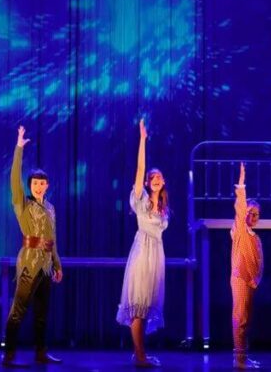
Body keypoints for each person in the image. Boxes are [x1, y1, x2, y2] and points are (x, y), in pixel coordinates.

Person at [2, 125, 63, 367]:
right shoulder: (23, 204)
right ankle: (9, 355)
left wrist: (57, 264)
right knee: (18, 310)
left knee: (41, 313)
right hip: (29, 264)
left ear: (47, 186)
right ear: (30, 186)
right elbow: (14, 179)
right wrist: (19, 147)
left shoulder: (50, 208)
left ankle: (40, 352)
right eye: (35, 183)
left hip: (46, 266)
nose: (38, 186)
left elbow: (52, 239)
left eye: (42, 183)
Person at [116, 119, 169, 368]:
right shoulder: (141, 200)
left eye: (159, 177)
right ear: (148, 183)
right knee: (138, 305)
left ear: (163, 182)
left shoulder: (164, 207)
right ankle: (140, 357)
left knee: (146, 307)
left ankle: (140, 353)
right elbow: (140, 169)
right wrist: (142, 141)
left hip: (156, 256)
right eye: (152, 177)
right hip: (142, 253)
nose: (156, 179)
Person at [230, 162, 263, 370]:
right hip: (240, 278)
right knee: (240, 319)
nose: (252, 216)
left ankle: (244, 356)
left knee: (246, 320)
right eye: (250, 213)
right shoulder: (241, 231)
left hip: (251, 281)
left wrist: (256, 279)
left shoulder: (255, 238)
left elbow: (259, 262)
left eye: (256, 214)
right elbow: (241, 209)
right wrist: (241, 184)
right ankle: (239, 360)